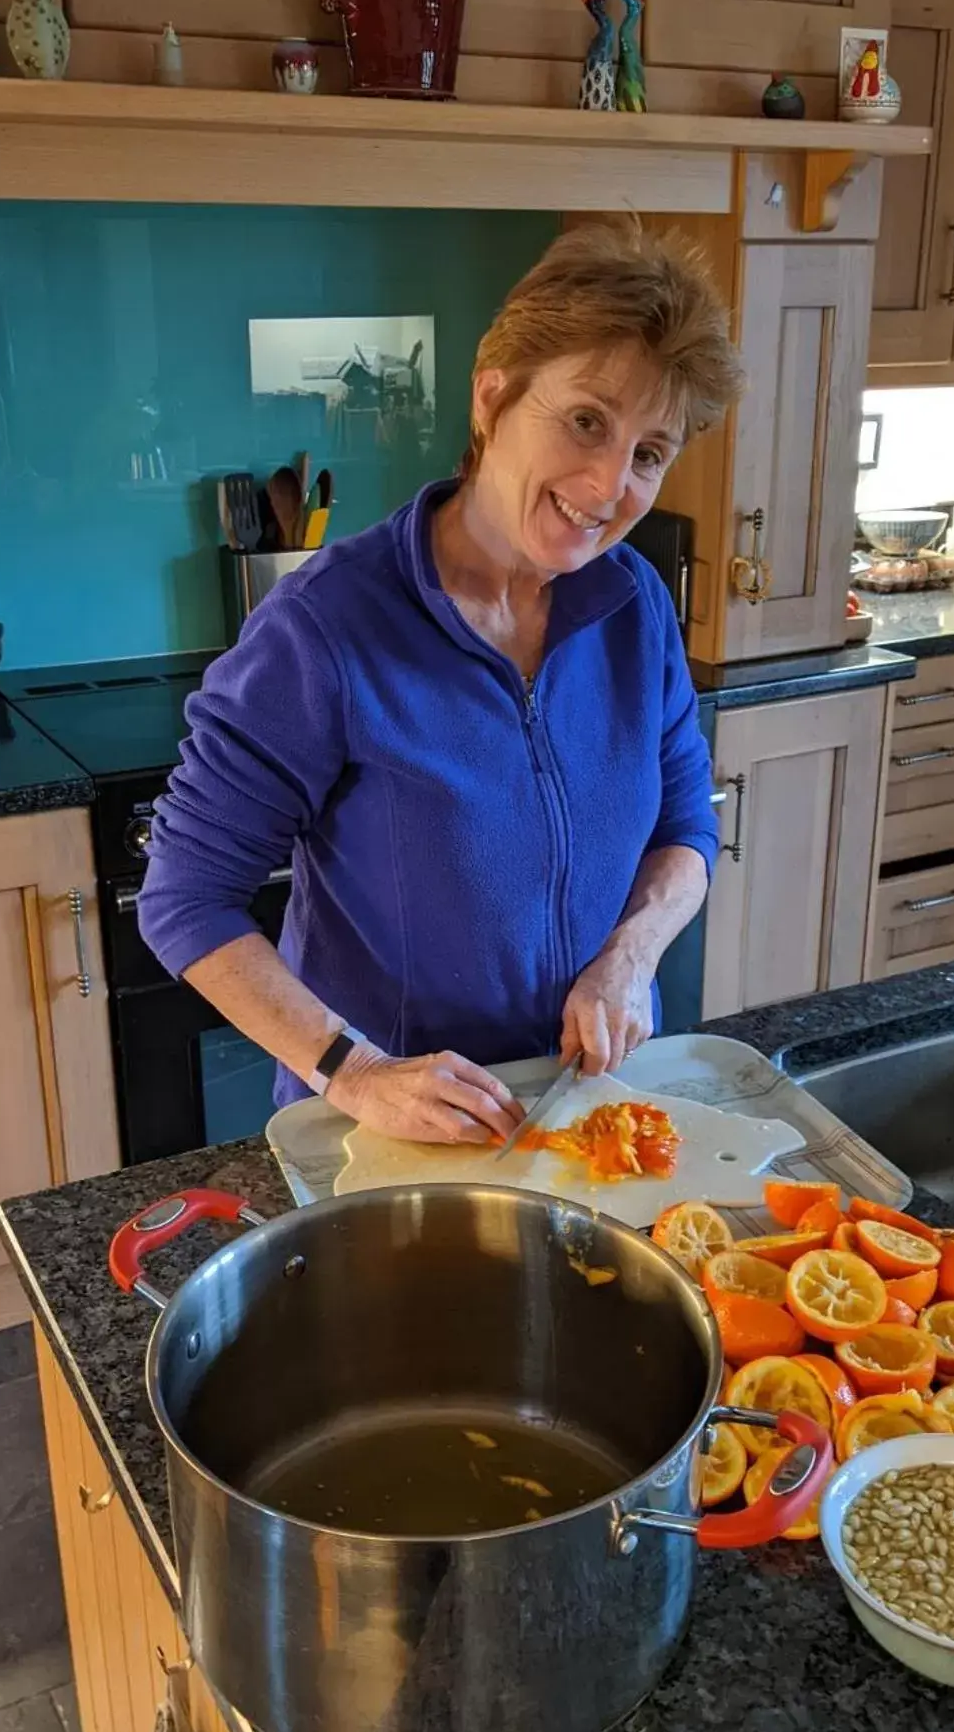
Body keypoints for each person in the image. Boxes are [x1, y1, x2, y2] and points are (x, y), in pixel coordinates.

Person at [138, 222, 743, 1147]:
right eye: (588, 420)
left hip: (582, 1115)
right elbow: (184, 896)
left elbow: (685, 825)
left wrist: (631, 956)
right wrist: (357, 1070)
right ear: (493, 397)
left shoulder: (634, 609)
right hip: (390, 1134)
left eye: (650, 453)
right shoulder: (327, 627)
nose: (609, 481)